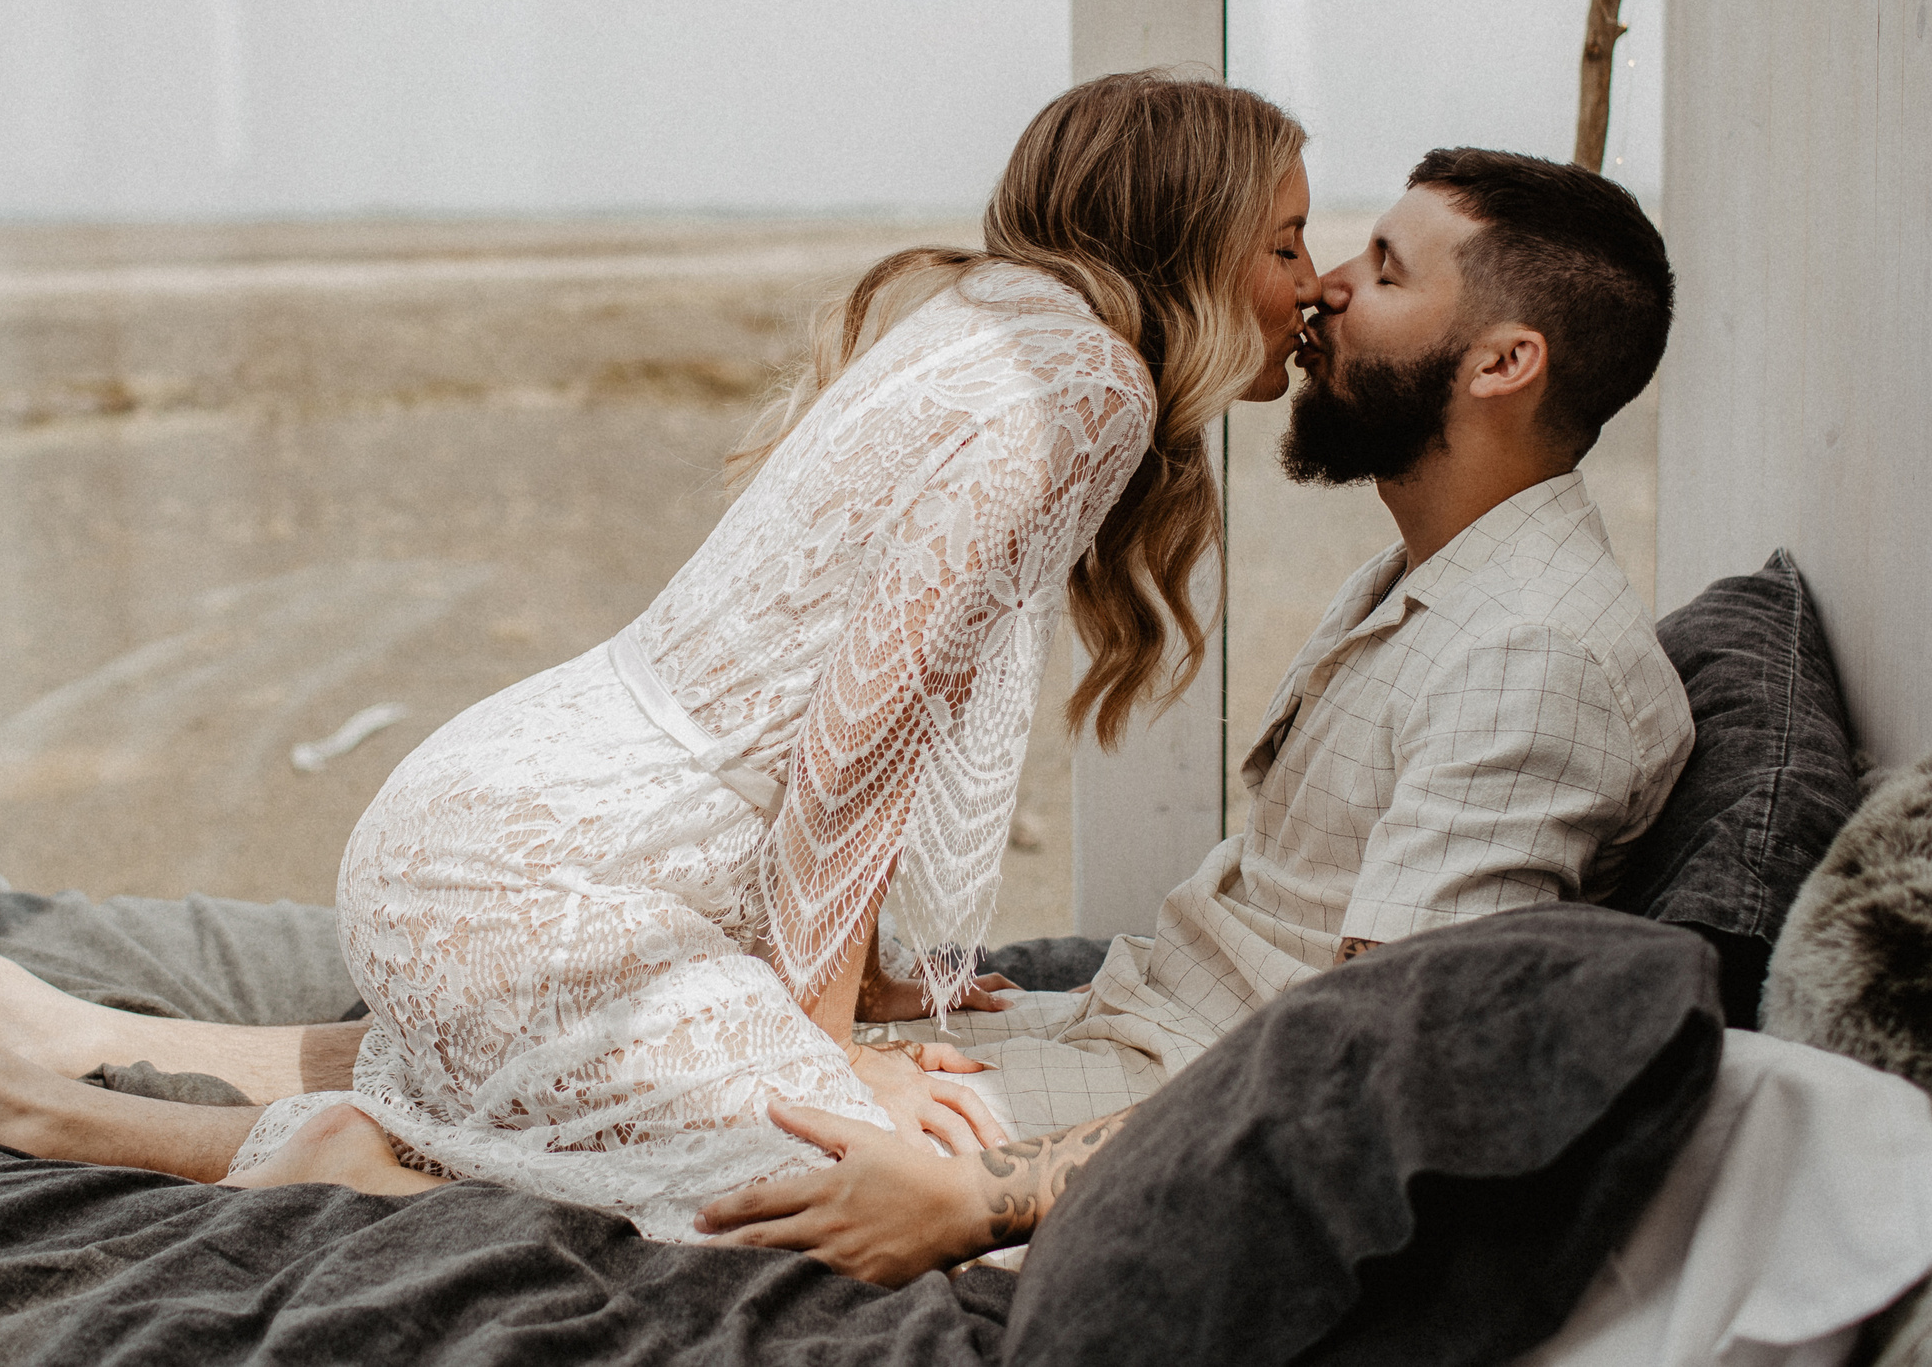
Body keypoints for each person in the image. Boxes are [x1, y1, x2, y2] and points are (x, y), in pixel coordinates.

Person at [0, 70, 1323, 1240]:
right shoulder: (1082, 382)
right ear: (1181, 242)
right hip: (550, 886)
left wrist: (872, 985)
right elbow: (866, 724)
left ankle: (74, 1023)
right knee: (820, 1180)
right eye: (1283, 242)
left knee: (586, 1084)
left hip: (498, 845)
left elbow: (862, 696)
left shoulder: (1000, 322)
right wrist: (835, 1041)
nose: (1308, 283)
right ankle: (55, 1113)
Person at [695, 146, 1696, 1283]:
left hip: (1194, 1116)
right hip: (1137, 1034)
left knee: (698, 1148)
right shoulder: (1440, 581)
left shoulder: (1532, 657)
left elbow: (1381, 1061)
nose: (1324, 289)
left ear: (1504, 362)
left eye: (1384, 271)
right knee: (691, 1051)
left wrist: (982, 1195)